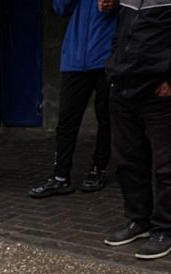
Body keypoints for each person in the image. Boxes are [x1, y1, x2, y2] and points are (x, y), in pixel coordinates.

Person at [102, 0, 171, 260]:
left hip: (160, 93)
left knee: (167, 166)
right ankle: (139, 220)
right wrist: (114, 70)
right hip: (123, 87)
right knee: (128, 160)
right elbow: (121, 34)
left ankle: (167, 229)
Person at [28, 0, 116, 198]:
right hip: (74, 59)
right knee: (67, 120)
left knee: (106, 118)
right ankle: (60, 177)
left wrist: (115, 4)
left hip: (106, 58)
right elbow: (60, 8)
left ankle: (98, 169)